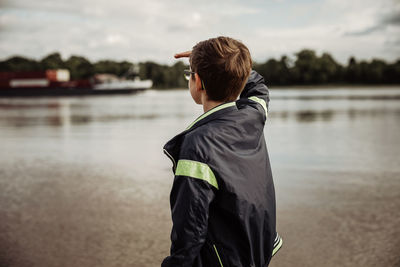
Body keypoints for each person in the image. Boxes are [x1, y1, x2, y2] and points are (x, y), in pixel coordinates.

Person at [161, 36, 282, 267]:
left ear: (198, 82)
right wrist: (232, 66)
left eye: (190, 74)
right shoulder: (252, 116)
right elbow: (259, 88)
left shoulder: (196, 146)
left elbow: (189, 234)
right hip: (258, 255)